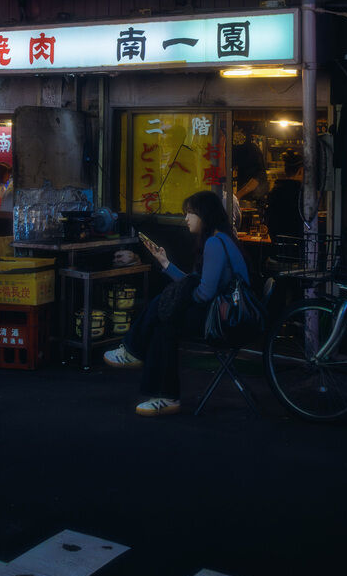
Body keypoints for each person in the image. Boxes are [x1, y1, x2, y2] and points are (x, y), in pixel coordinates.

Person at [103, 190, 249, 416]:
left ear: (204, 215)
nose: (186, 218)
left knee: (167, 307)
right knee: (166, 317)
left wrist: (178, 299)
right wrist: (165, 263)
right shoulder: (223, 239)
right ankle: (160, 390)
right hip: (227, 316)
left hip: (227, 322)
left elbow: (204, 293)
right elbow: (197, 285)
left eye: (190, 213)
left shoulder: (214, 243)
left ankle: (140, 361)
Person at [265, 150, 303, 247]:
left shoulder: (275, 191)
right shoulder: (301, 193)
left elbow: (268, 220)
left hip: (276, 249)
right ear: (301, 170)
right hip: (296, 252)